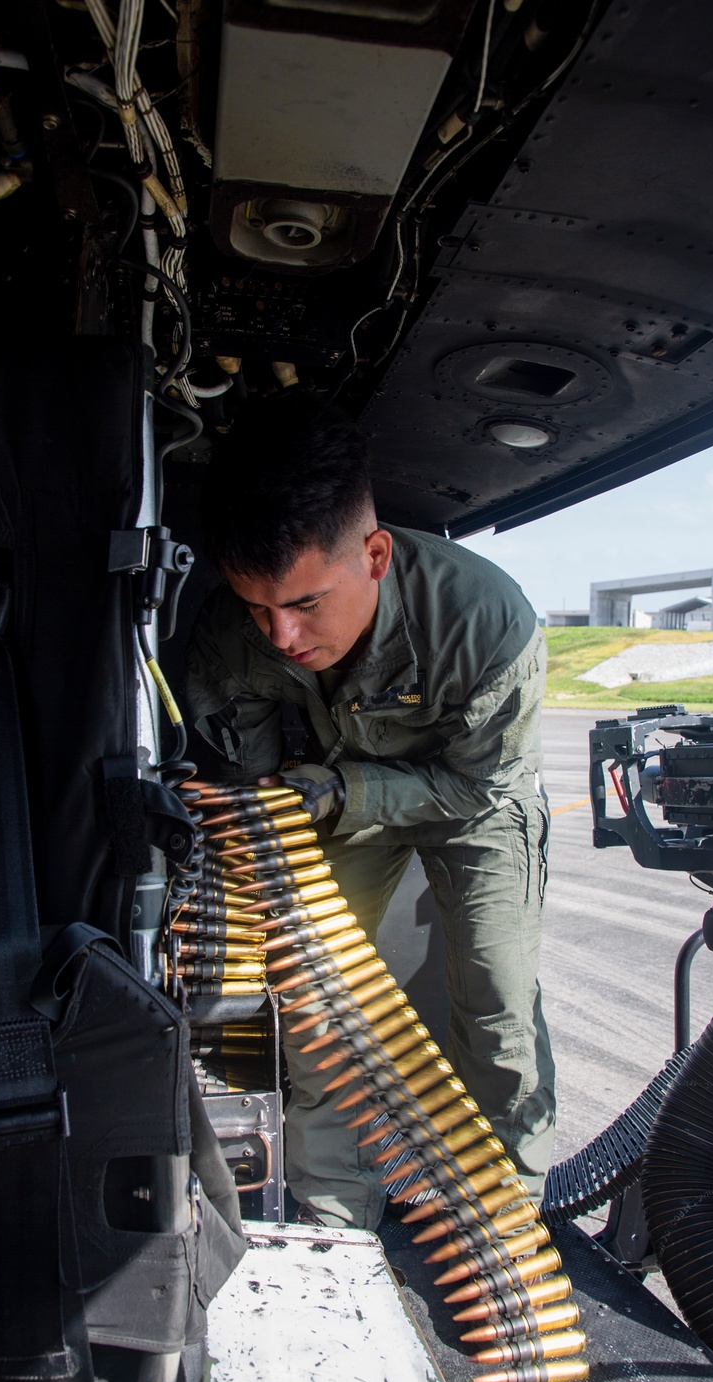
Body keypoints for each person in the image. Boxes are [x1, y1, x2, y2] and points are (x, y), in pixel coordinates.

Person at [186, 400, 553, 1230]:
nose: (281, 636)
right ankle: (333, 1220)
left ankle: (504, 1221)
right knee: (321, 997)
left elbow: (477, 788)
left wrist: (344, 791)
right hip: (340, 794)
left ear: (376, 555)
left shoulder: (484, 623)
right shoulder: (233, 636)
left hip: (471, 799)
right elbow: (250, 776)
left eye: (307, 604)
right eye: (258, 609)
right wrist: (270, 811)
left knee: (496, 1003)